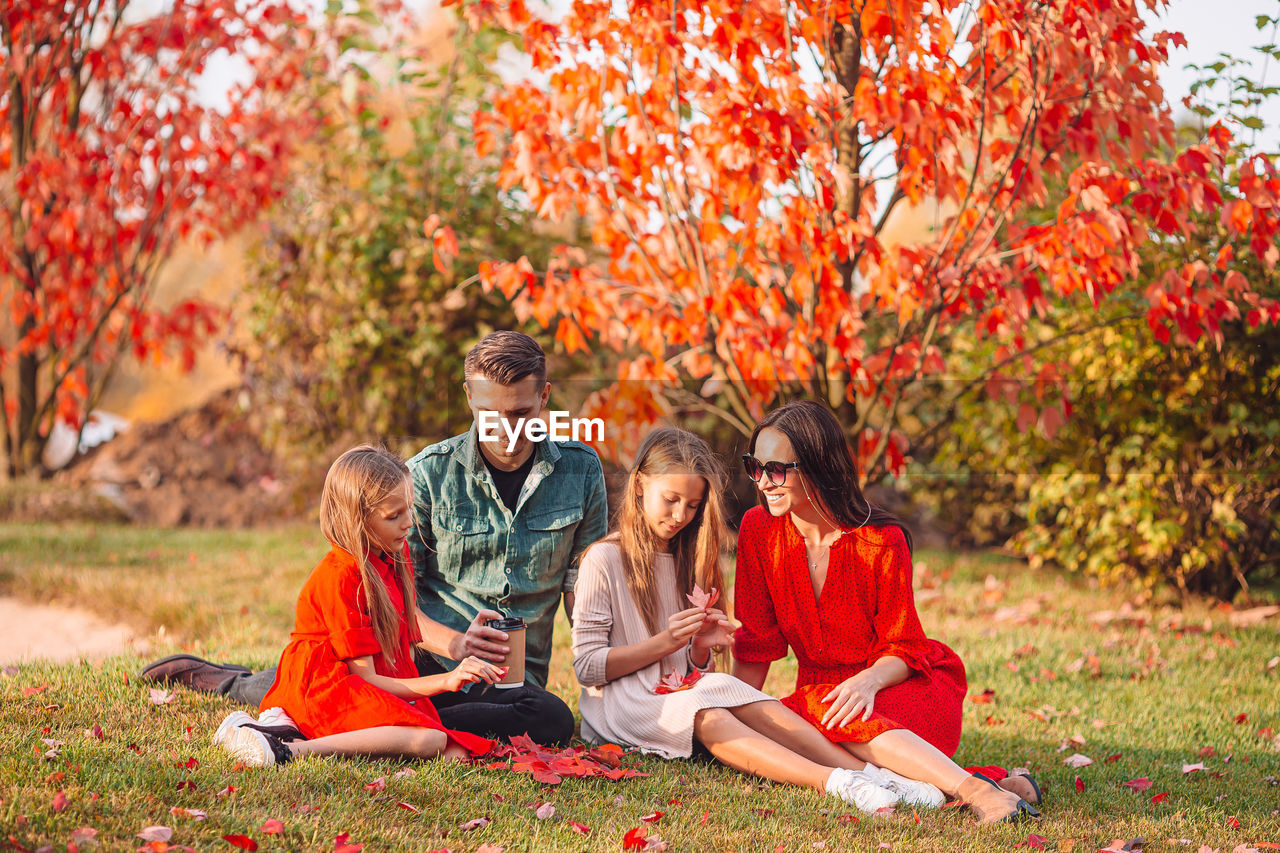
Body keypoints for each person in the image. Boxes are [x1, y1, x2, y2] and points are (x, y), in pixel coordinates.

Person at [141, 331, 605, 745]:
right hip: (419, 662)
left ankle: (397, 716)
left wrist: (604, 682)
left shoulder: (582, 471)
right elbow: (400, 601)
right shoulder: (426, 475)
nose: (505, 431)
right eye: (489, 415)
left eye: (520, 413)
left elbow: (583, 596)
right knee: (335, 683)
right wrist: (458, 646)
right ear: (468, 398)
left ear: (545, 397)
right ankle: (233, 682)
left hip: (514, 679)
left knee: (549, 719)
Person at [572, 427, 948, 814]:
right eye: (670, 500)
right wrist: (667, 642)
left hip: (681, 691)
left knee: (732, 695)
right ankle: (838, 782)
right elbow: (586, 668)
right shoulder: (604, 559)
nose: (680, 516)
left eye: (692, 505)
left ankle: (873, 774)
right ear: (638, 486)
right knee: (710, 713)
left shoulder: (689, 560)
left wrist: (700, 649)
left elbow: (689, 670)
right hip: (624, 702)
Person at [731, 400, 1041, 823]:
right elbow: (757, 641)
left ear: (818, 466)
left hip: (901, 689)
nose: (764, 482)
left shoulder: (881, 540)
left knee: (816, 716)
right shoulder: (757, 530)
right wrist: (737, 707)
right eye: (755, 467)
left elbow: (904, 644)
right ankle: (984, 780)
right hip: (824, 700)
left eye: (777, 470)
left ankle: (980, 794)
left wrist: (866, 682)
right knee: (780, 726)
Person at [216, 446, 499, 766]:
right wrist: (447, 681)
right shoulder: (342, 576)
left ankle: (289, 733)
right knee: (430, 739)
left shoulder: (393, 550)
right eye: (394, 516)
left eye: (408, 509)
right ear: (357, 520)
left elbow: (402, 638)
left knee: (455, 754)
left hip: (361, 680)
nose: (408, 523)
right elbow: (367, 680)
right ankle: (284, 749)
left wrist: (459, 647)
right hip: (326, 686)